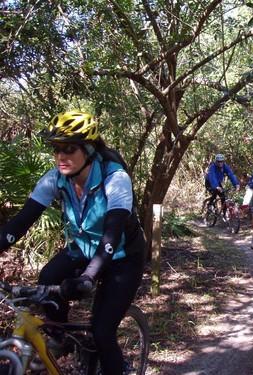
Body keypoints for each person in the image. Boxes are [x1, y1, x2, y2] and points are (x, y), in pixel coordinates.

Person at [0, 110, 146, 375]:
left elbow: (111, 235)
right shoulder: (55, 178)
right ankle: (61, 340)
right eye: (56, 149)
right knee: (48, 276)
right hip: (84, 247)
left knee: (102, 332)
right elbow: (21, 222)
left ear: (89, 149)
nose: (61, 157)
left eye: (69, 149)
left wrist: (88, 277)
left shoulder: (116, 180)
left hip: (123, 256)